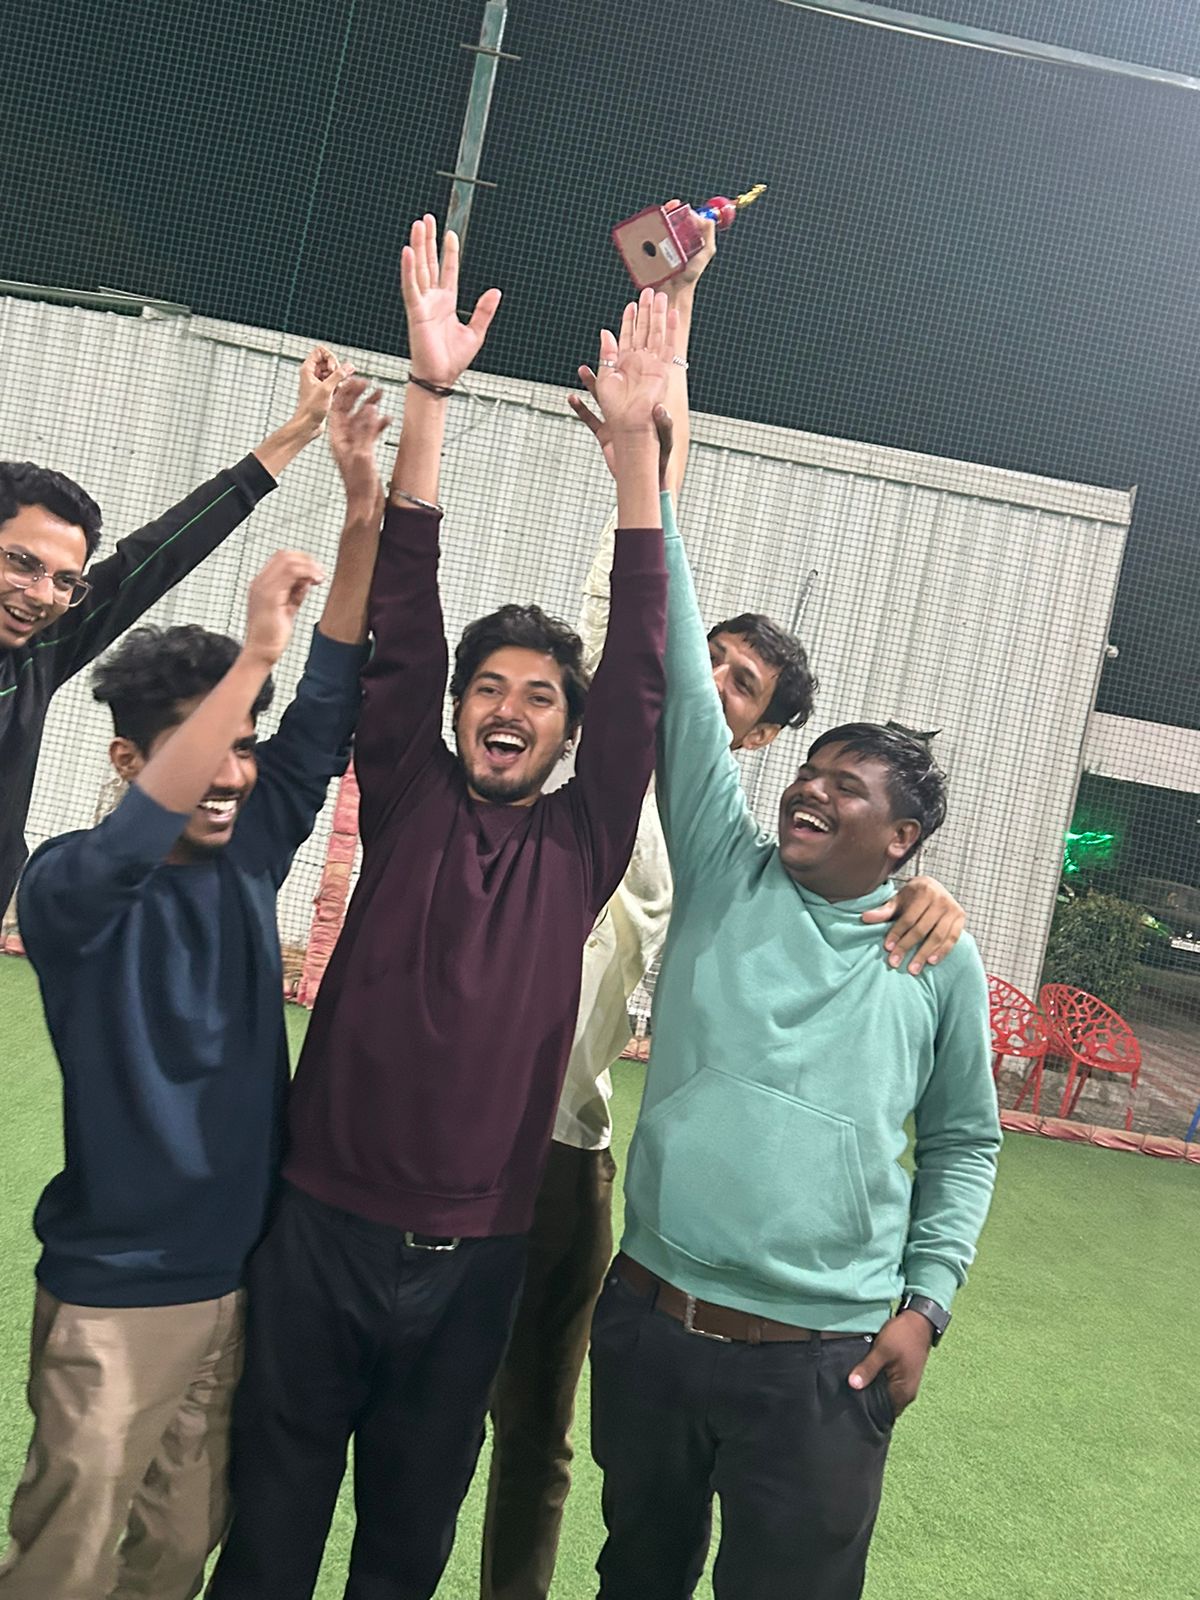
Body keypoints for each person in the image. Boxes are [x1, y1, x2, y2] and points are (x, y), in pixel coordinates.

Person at [481, 213, 966, 1600]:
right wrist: (657, 392)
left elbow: (966, 1141)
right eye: (705, 664)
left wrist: (925, 1302)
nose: (703, 679)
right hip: (493, 1171)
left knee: (541, 1447)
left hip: (600, 1181)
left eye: (736, 687)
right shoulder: (602, 755)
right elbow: (644, 602)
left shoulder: (716, 843)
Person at [207, 217, 671, 1600]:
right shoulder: (406, 792)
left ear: (571, 734)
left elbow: (642, 668)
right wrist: (428, 392)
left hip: (479, 1255)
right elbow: (404, 604)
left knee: (405, 1547)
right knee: (269, 1525)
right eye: (490, 688)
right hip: (317, 1226)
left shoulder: (583, 841)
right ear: (459, 709)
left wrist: (638, 464)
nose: (508, 708)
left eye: (540, 696)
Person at [0, 378, 389, 1600]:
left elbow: (327, 698)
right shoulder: (69, 886)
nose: (230, 770)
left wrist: (362, 507)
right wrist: (254, 650)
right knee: (63, 1562)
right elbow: (137, 834)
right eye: (203, 743)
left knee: (175, 1552)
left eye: (242, 741)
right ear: (128, 758)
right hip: (111, 1301)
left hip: (237, 1286)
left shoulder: (254, 841)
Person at [587, 481, 1002, 1600]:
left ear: (901, 838)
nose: (808, 789)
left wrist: (927, 1306)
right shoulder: (724, 866)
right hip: (653, 1322)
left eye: (845, 787)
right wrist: (648, 480)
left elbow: (965, 1142)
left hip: (825, 1364)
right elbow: (684, 685)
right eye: (808, 771)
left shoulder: (936, 956)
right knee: (636, 1577)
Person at [0, 344, 349, 912]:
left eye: (65, 580)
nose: (42, 595)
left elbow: (156, 557)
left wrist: (299, 430)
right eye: (22, 563)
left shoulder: (39, 649)